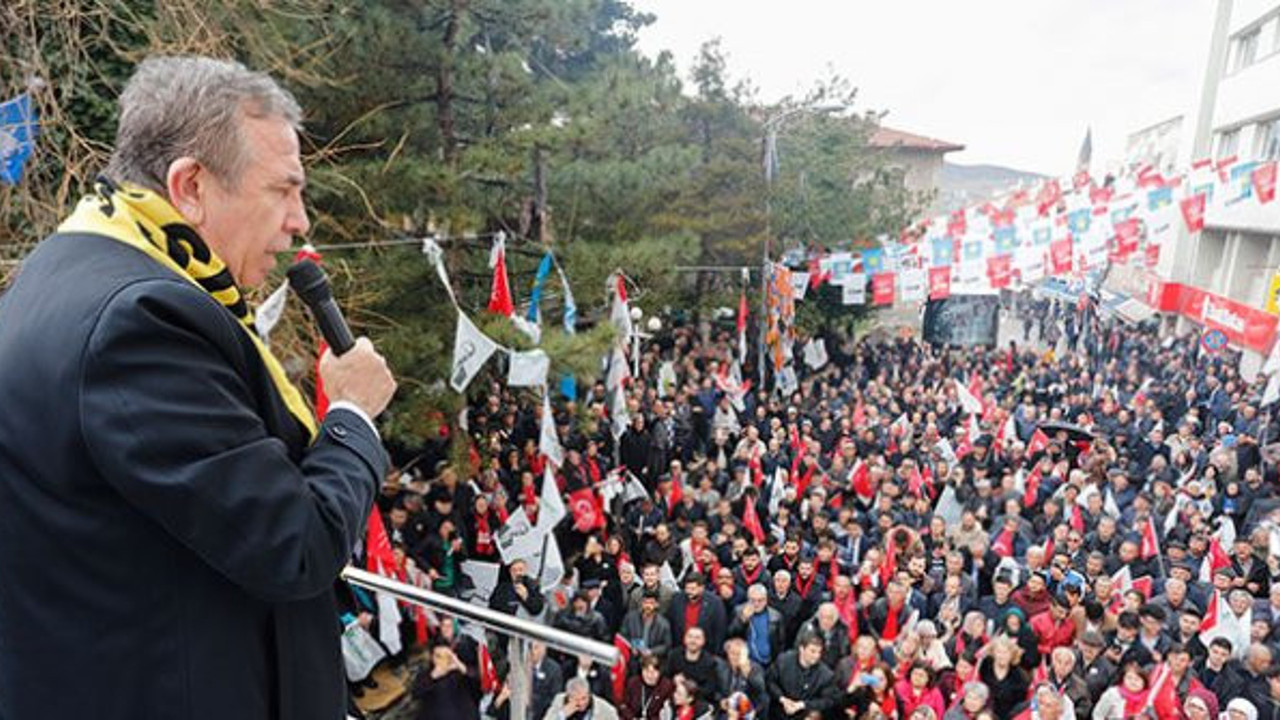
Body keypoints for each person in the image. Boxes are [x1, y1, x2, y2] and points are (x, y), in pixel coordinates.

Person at [0, 56, 397, 720]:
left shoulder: (63, 269)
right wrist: (353, 413)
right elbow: (295, 543)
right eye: (283, 190)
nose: (299, 221)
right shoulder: (140, 324)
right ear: (191, 185)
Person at [413, 640, 482, 720]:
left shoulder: (459, 671)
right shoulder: (427, 675)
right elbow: (416, 692)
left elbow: (481, 682)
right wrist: (433, 676)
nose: (442, 660)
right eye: (438, 656)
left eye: (446, 656)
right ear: (432, 657)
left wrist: (460, 666)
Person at [620, 654, 673, 720]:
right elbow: (624, 706)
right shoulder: (633, 682)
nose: (650, 675)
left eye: (654, 672)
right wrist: (633, 718)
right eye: (646, 671)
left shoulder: (666, 686)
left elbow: (666, 713)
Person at [543, 677, 620, 720]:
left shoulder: (605, 709)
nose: (581, 703)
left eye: (584, 698)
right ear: (569, 697)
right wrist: (562, 714)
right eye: (577, 700)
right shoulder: (559, 700)